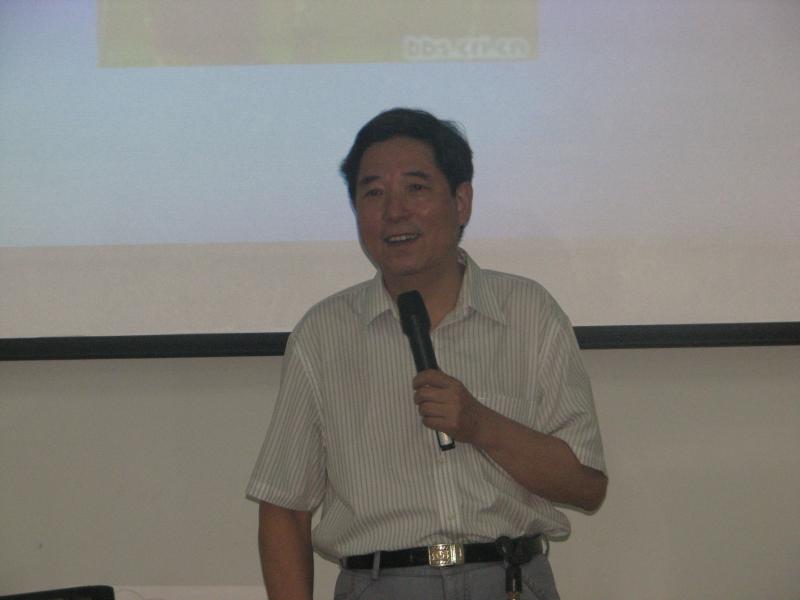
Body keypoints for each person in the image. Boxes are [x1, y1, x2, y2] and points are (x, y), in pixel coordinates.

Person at [247, 108, 607, 600]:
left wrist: (480, 424)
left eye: (415, 188)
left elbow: (586, 486)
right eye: (373, 193)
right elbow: (285, 509)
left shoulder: (528, 312)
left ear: (461, 201)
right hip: (380, 583)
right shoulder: (324, 334)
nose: (394, 211)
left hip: (508, 580)